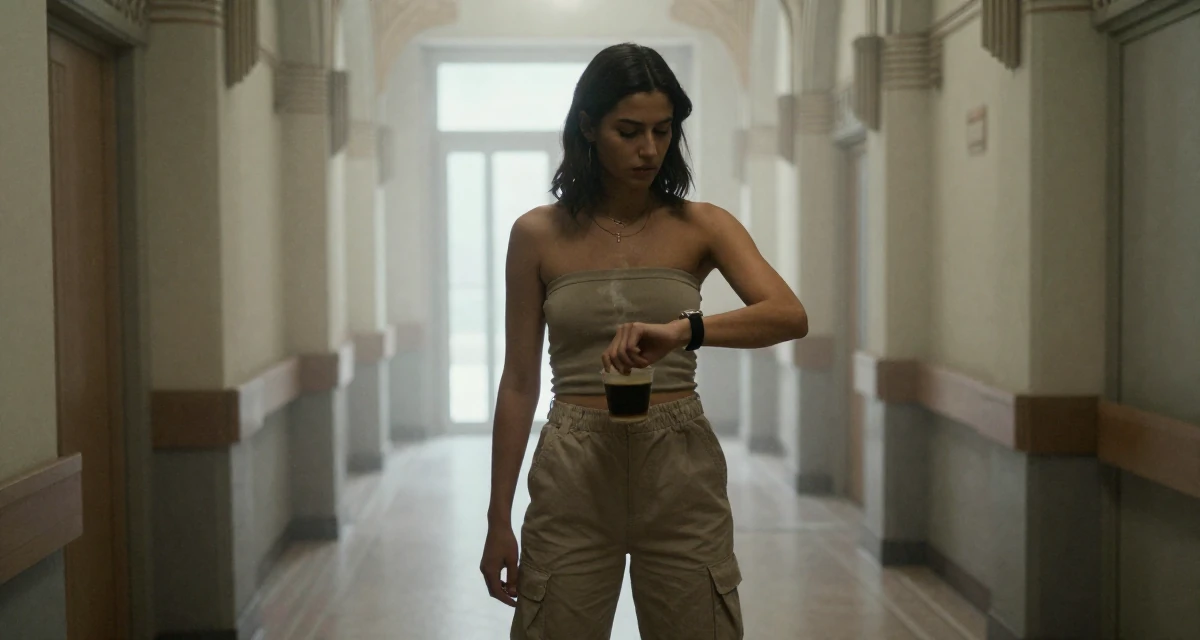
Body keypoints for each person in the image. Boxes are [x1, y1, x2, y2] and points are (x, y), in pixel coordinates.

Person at [479, 42, 808, 640]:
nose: (649, 149)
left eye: (662, 130)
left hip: (678, 467)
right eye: (628, 131)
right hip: (574, 470)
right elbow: (519, 381)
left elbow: (788, 314)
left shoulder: (702, 225)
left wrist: (686, 330)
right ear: (588, 126)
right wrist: (498, 516)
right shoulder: (537, 234)